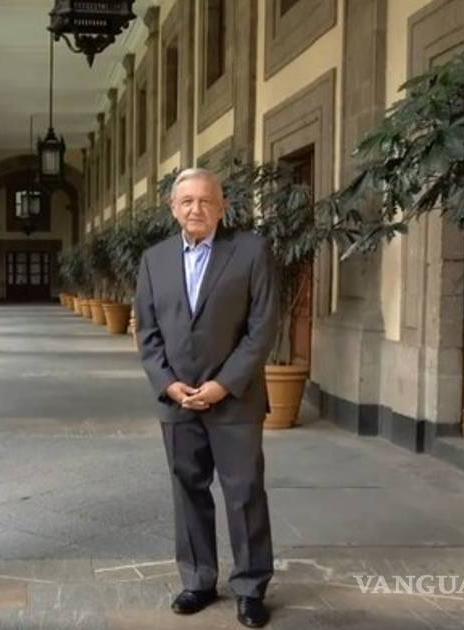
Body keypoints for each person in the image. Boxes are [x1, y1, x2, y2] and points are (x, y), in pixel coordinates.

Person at [134, 167, 278, 628]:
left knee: (244, 492)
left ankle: (251, 588)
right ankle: (198, 580)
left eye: (206, 200)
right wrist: (167, 383)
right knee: (188, 491)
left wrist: (223, 384)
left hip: (235, 398)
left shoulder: (252, 251)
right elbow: (147, 332)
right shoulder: (154, 260)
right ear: (173, 208)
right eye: (187, 201)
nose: (196, 209)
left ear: (222, 206)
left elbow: (262, 328)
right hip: (177, 400)